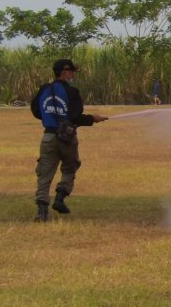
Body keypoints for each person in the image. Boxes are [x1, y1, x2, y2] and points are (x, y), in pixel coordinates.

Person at [30, 59, 108, 221]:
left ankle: (42, 211)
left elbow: (36, 111)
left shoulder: (44, 89)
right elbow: (75, 117)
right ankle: (60, 198)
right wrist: (92, 118)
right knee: (70, 167)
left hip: (48, 136)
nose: (73, 74)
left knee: (44, 172)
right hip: (67, 137)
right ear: (65, 72)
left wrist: (49, 116)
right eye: (71, 71)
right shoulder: (72, 92)